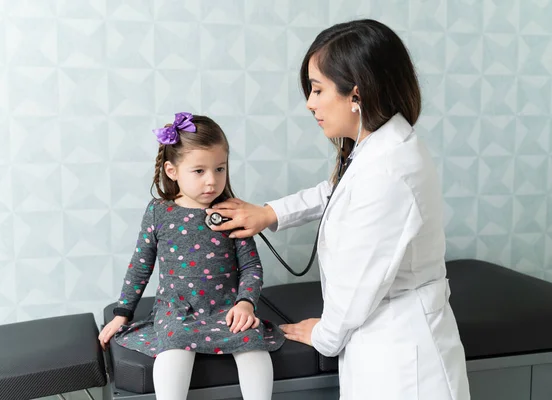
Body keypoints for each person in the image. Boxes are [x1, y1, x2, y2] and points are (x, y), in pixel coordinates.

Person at [208, 19, 471, 399]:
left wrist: (324, 334)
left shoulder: (389, 170)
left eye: (317, 90)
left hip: (402, 361)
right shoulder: (381, 145)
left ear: (356, 94)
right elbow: (336, 192)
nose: (310, 103)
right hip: (383, 342)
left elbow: (359, 283)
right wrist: (270, 213)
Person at [99, 112, 285, 400]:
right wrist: (122, 313)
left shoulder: (232, 212)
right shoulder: (158, 211)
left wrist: (246, 303)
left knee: (253, 344)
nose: (212, 181)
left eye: (220, 169)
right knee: (173, 348)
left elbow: (251, 267)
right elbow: (140, 266)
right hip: (177, 309)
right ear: (173, 171)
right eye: (199, 171)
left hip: (225, 308)